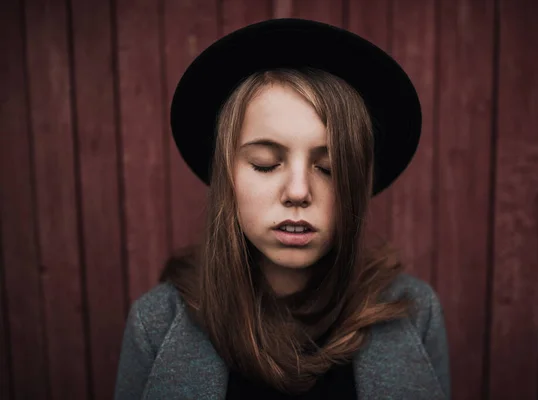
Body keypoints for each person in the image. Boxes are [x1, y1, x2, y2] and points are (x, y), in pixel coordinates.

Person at [114, 18, 450, 399]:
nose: (298, 191)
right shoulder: (156, 322)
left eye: (329, 168)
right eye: (265, 163)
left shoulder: (415, 312)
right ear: (228, 176)